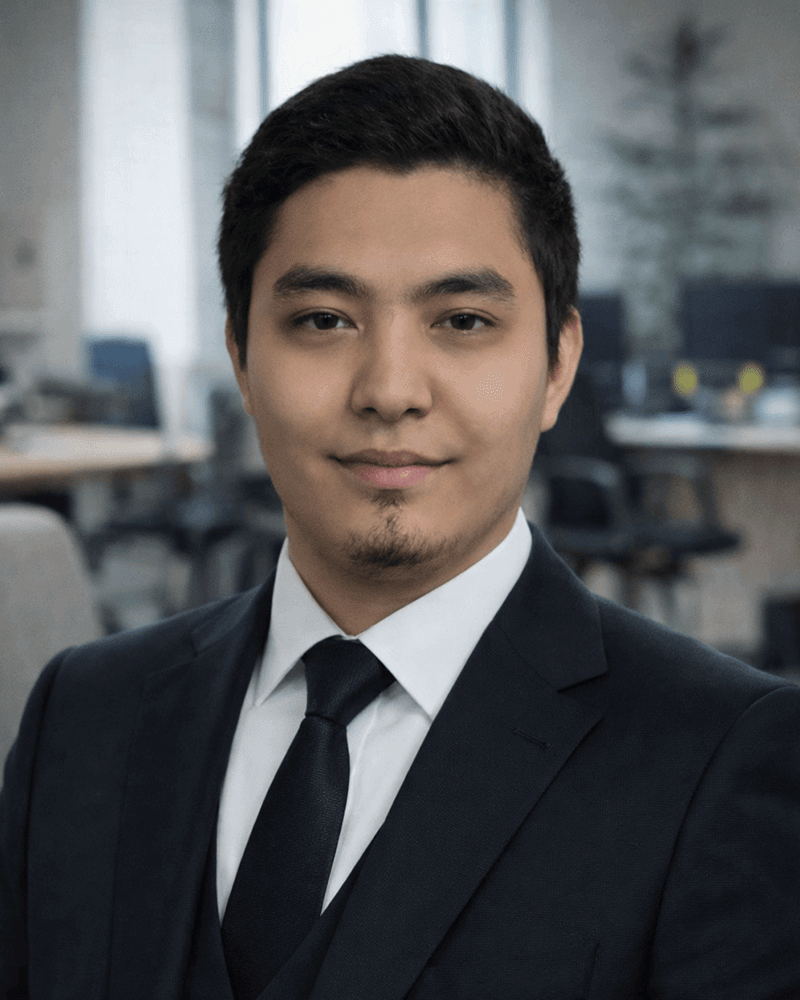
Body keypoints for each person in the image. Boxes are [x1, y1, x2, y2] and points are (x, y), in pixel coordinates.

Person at [1, 54, 799, 1000]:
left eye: (462, 321)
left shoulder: (718, 754)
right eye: (324, 320)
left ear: (556, 366)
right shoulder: (84, 714)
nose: (388, 391)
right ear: (242, 358)